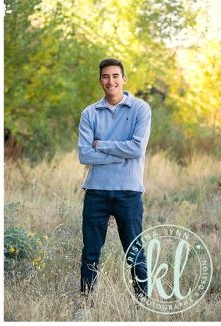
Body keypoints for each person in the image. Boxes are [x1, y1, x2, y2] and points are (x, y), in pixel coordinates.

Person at [77, 58, 150, 296]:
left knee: (134, 250)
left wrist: (103, 145)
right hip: (96, 191)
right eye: (106, 77)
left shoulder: (141, 109)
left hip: (128, 191)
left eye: (115, 76)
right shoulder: (89, 113)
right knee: (90, 251)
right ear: (100, 81)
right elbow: (85, 155)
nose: (111, 81)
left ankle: (142, 301)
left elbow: (137, 149)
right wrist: (120, 155)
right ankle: (86, 302)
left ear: (124, 79)